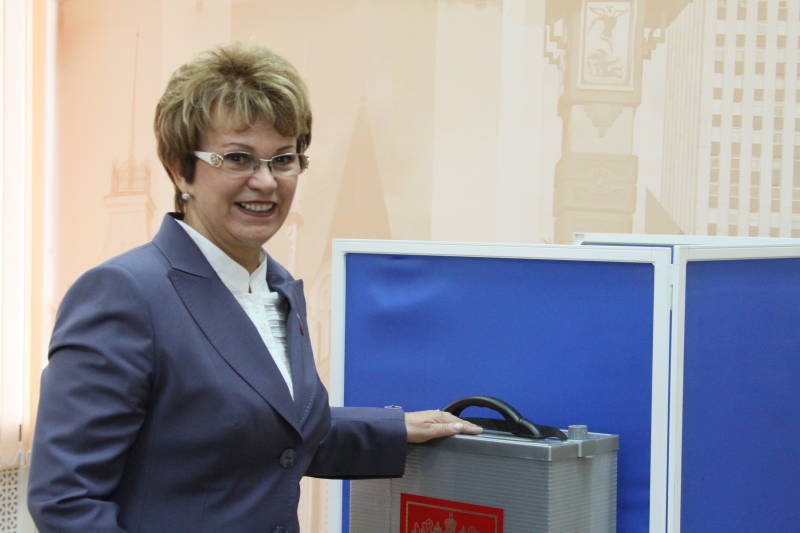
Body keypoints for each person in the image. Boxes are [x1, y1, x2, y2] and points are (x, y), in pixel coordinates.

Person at [27, 42, 481, 533]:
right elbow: (66, 500)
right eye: (238, 158)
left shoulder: (278, 289)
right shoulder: (124, 294)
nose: (265, 182)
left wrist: (397, 428)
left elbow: (271, 436)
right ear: (181, 170)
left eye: (283, 159)